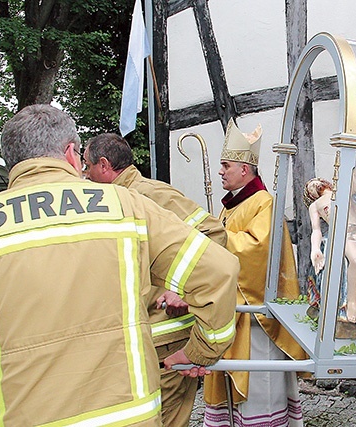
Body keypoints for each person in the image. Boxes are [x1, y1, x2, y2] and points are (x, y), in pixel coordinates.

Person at [0, 104, 239, 425]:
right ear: (71, 154)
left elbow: (212, 236)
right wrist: (204, 350)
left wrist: (179, 298)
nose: (85, 172)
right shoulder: (124, 206)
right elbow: (218, 272)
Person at [83, 133, 227, 427]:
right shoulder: (115, 199)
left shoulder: (149, 193)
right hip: (144, 337)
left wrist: (181, 291)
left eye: (86, 166)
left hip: (167, 339)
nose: (84, 175)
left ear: (104, 165)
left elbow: (214, 233)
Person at [203, 118, 307, 427]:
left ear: (244, 170)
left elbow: (257, 251)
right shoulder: (231, 206)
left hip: (256, 317)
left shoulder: (264, 202)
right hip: (232, 312)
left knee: (262, 384)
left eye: (225, 165)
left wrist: (212, 237)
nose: (220, 171)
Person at [305, 163, 356, 325]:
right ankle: (351, 300)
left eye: (316, 182)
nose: (315, 185)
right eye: (310, 187)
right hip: (342, 230)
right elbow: (316, 230)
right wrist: (315, 248)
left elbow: (352, 184)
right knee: (355, 260)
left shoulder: (341, 191)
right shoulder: (315, 206)